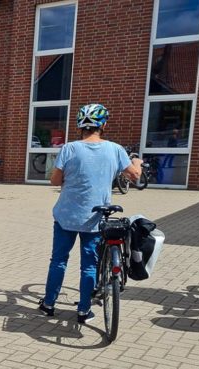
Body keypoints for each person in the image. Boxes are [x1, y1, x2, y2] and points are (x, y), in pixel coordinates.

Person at [38, 104, 142, 324]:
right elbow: (134, 176)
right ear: (103, 125)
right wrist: (137, 162)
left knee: (58, 261)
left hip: (66, 216)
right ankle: (84, 311)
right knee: (89, 265)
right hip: (95, 218)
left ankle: (48, 304)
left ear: (79, 125)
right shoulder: (115, 149)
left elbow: (55, 181)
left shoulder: (69, 148)